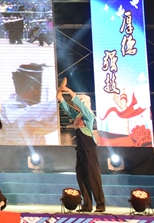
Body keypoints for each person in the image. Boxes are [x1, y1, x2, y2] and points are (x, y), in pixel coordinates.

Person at [57, 79, 106, 213]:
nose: (76, 106)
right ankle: (87, 205)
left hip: (89, 148)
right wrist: (60, 95)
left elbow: (81, 106)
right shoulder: (77, 116)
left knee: (93, 176)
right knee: (81, 176)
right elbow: (66, 107)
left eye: (79, 103)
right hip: (80, 149)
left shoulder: (89, 116)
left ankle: (100, 204)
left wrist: (68, 90)